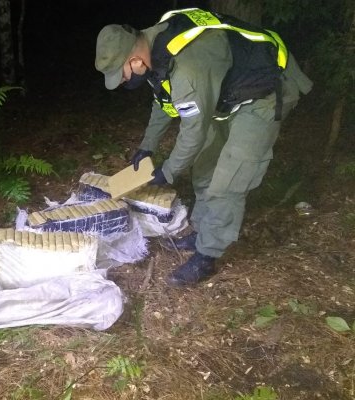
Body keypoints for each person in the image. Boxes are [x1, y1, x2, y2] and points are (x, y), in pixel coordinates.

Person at [95, 8, 312, 287]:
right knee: (205, 167)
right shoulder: (155, 46)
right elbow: (164, 101)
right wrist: (147, 146)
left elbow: (192, 132)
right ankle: (202, 231)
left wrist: (168, 172)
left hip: (264, 93)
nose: (124, 80)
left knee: (229, 178)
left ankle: (207, 255)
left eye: (121, 74)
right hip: (228, 94)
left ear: (135, 61)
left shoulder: (188, 68)